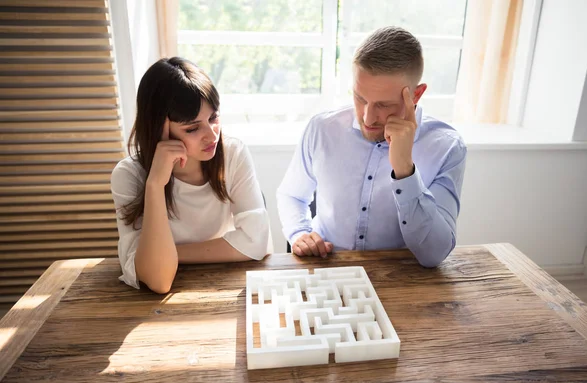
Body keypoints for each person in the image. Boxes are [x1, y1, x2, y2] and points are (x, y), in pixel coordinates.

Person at [277, 26, 467, 267]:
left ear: (416, 95)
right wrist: (300, 233)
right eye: (360, 98)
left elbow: (433, 255)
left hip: (400, 280)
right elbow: (292, 195)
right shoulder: (322, 128)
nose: (367, 118)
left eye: (384, 105)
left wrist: (404, 171)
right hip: (326, 269)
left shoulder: (447, 147)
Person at [111, 57, 270, 294]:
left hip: (225, 286)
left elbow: (256, 243)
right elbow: (159, 281)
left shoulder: (233, 154)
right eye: (193, 128)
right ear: (159, 129)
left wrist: (172, 255)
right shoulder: (129, 175)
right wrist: (155, 184)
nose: (211, 135)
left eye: (213, 118)